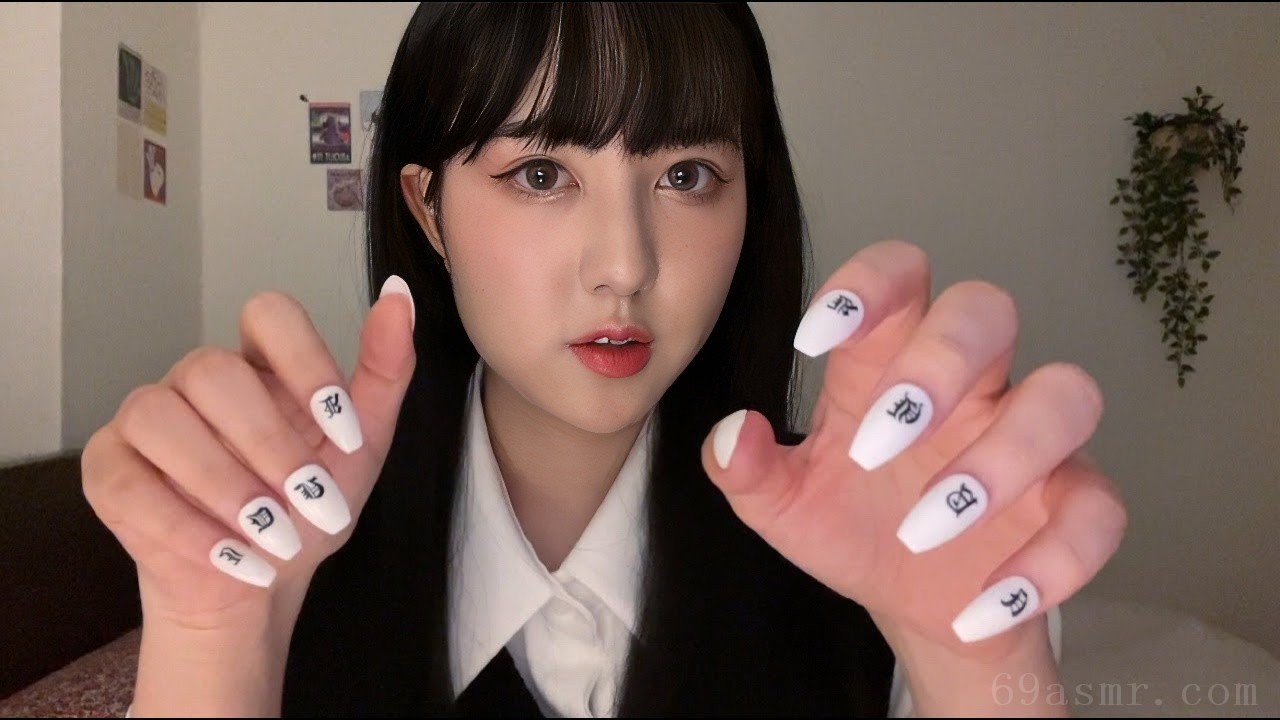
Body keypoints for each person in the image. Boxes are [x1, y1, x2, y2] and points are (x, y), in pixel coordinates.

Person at [82, 3, 1126, 717]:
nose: (624, 266)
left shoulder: (883, 550)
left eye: (686, 174)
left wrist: (975, 669)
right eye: (541, 173)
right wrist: (214, 640)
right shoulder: (288, 560)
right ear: (428, 210)